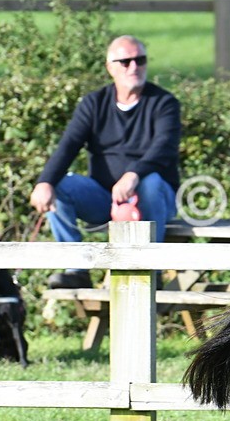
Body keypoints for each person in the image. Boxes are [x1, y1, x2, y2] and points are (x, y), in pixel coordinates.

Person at [30, 35, 181, 289]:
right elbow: (68, 146)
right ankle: (77, 268)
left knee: (150, 182)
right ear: (110, 67)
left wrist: (134, 174)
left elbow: (163, 148)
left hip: (153, 201)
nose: (134, 67)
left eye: (140, 60)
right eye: (125, 62)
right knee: (59, 186)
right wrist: (44, 182)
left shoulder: (164, 103)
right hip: (104, 198)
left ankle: (151, 268)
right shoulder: (93, 103)